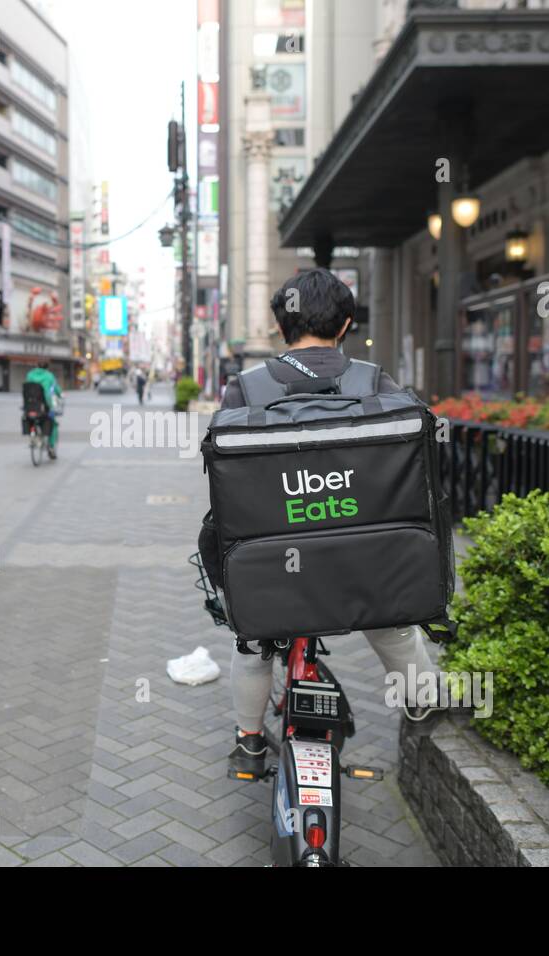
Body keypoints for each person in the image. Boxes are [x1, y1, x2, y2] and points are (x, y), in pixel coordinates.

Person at [197, 268, 442, 779]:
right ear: (346, 324)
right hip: (366, 566)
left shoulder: (245, 390)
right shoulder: (375, 383)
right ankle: (421, 703)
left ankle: (248, 742)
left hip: (272, 572)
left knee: (253, 641)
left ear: (280, 324)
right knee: (394, 626)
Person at [24, 361, 62, 460]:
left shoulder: (30, 374)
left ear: (36, 366)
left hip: (30, 405)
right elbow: (55, 389)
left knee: (30, 418)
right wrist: (59, 394)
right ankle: (51, 447)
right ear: (47, 368)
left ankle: (33, 435)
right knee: (52, 423)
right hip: (45, 406)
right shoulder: (49, 376)